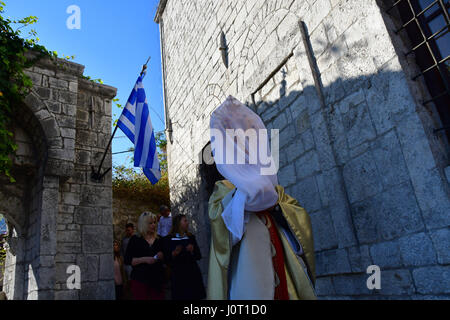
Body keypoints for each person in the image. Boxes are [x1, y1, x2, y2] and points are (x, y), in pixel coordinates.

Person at [207, 96, 317, 300]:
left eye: (249, 138)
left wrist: (275, 203)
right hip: (248, 279)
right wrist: (243, 197)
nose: (245, 145)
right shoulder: (223, 189)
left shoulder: (271, 184)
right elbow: (220, 226)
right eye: (237, 141)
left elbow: (295, 213)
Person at [124, 212, 165, 300]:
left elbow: (167, 259)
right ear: (143, 224)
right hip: (140, 280)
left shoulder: (160, 239)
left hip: (157, 281)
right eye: (150, 223)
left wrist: (162, 256)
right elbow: (127, 260)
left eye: (154, 222)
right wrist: (144, 259)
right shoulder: (135, 239)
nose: (153, 225)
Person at [164, 214, 206, 300]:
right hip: (178, 274)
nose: (187, 223)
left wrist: (192, 250)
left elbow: (198, 256)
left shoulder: (190, 237)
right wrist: (174, 253)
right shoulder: (169, 239)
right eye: (185, 220)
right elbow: (166, 259)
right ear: (178, 223)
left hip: (192, 273)